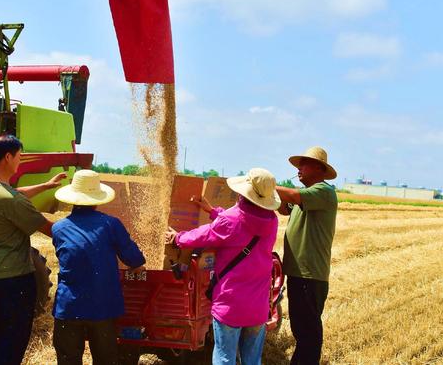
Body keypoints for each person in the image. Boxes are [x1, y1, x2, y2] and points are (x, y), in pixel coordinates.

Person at [165, 168, 280, 365]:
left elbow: (206, 234)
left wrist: (179, 238)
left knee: (225, 358)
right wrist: (213, 211)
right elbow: (236, 226)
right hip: (258, 304)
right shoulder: (273, 221)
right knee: (252, 360)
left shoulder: (232, 219)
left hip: (231, 303)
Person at [0, 134, 67, 365]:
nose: (20, 160)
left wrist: (46, 186)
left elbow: (16, 192)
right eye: (19, 156)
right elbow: (50, 229)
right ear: (8, 157)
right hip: (15, 280)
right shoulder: (11, 201)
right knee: (15, 339)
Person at [51, 169, 146, 365]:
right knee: (105, 360)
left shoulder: (58, 228)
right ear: (97, 199)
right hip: (102, 305)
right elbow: (134, 259)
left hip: (69, 307)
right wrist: (137, 267)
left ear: (73, 198)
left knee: (68, 360)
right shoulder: (111, 224)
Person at [276, 146, 338, 365]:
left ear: (319, 168)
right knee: (301, 328)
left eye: (304, 164)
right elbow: (285, 208)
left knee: (307, 331)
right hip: (298, 272)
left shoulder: (323, 191)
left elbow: (292, 195)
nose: (299, 168)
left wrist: (265, 184)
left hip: (309, 274)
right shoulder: (306, 196)